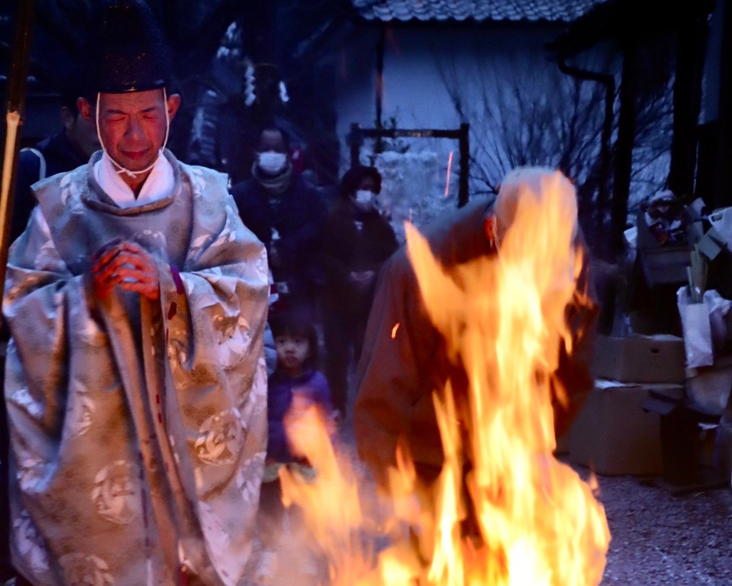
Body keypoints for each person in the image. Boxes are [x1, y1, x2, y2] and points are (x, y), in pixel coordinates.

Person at [0, 0, 269, 586]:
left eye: (150, 113)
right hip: (94, 442)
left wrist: (175, 289)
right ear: (89, 113)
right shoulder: (56, 207)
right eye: (118, 116)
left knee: (178, 571)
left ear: (173, 109)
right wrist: (86, 299)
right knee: (95, 573)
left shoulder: (210, 200)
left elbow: (249, 292)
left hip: (182, 435)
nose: (136, 133)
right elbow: (20, 306)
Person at [353, 168, 597, 498]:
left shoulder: (567, 249)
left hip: (512, 441)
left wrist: (543, 440)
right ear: (491, 231)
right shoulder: (422, 268)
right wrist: (393, 484)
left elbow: (574, 366)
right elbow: (383, 387)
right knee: (437, 541)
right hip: (434, 444)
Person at [0, 78, 103, 586]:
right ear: (69, 116)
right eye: (93, 115)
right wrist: (4, 326)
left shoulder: (114, 170)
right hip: (29, 327)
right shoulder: (34, 165)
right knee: (24, 447)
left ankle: (76, 554)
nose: (102, 128)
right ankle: (13, 565)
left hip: (90, 332)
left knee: (83, 445)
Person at [256, 303, 333, 583]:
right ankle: (269, 553)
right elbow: (259, 417)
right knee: (269, 510)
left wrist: (327, 455)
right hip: (273, 460)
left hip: (304, 461)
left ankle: (305, 554)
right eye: (282, 341)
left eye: (298, 342)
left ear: (310, 346)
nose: (290, 348)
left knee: (304, 511)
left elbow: (326, 423)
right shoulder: (267, 383)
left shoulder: (317, 384)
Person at [318, 163, 398, 414]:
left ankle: (368, 406)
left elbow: (392, 257)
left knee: (366, 355)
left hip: (367, 304)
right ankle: (337, 404)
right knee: (336, 357)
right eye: (364, 188)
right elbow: (324, 254)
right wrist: (346, 275)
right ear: (352, 190)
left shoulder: (380, 226)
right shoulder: (333, 220)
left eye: (372, 189)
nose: (368, 193)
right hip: (336, 302)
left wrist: (373, 272)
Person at [231, 127, 328, 305]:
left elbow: (319, 227)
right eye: (266, 148)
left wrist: (287, 247)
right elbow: (231, 233)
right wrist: (264, 250)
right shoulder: (239, 195)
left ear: (287, 153)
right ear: (256, 152)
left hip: (300, 285)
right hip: (251, 287)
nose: (272, 154)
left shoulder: (308, 193)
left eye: (277, 149)